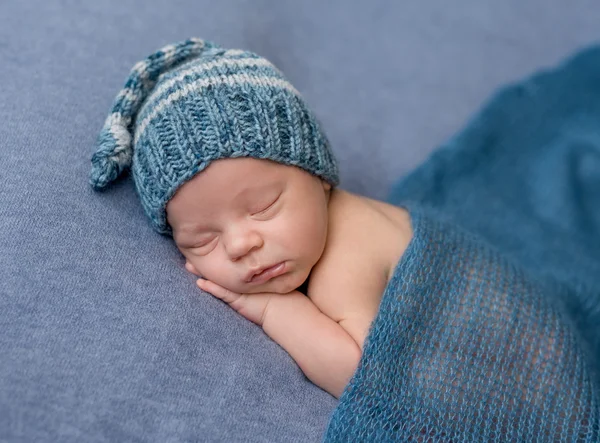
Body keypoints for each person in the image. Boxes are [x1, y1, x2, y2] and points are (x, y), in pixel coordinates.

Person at [90, 37, 413, 398]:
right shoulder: (352, 218)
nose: (240, 245)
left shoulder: (344, 262)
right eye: (202, 240)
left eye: (264, 207)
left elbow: (373, 385)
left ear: (320, 175)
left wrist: (276, 310)